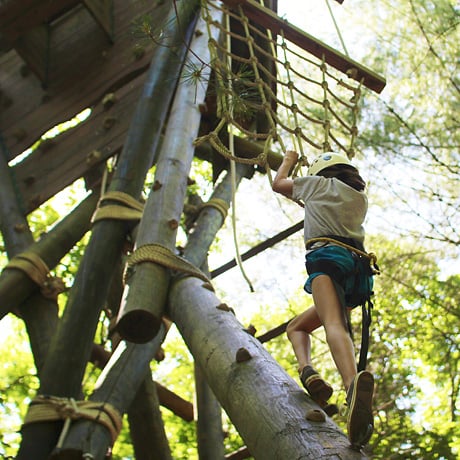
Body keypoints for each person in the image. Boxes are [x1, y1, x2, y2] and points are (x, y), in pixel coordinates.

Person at [272, 149, 374, 447]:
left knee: (333, 325)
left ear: (320, 173)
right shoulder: (359, 199)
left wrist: (289, 161)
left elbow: (279, 184)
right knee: (297, 327)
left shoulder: (317, 185)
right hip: (357, 273)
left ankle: (351, 385)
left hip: (328, 259)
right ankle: (308, 372)